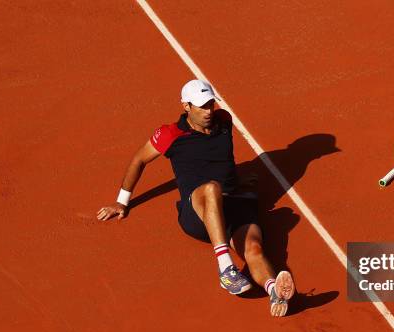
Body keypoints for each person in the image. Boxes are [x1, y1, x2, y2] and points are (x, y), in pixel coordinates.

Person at [97, 79, 295, 317]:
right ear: (186, 106)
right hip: (198, 211)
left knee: (254, 248)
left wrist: (236, 179)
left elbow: (222, 160)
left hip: (235, 203)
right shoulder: (170, 134)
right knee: (211, 189)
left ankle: (274, 291)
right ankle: (225, 269)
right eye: (202, 106)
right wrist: (121, 201)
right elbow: (139, 160)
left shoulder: (224, 121)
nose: (208, 111)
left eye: (211, 104)